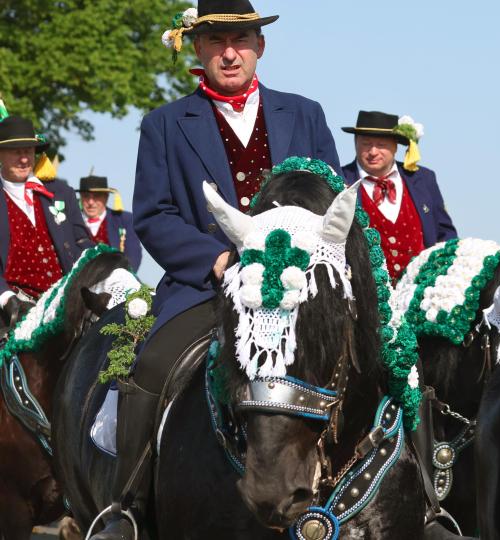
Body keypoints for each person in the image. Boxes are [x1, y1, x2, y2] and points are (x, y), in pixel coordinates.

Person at [89, 0, 341, 537]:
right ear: (198, 50)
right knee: (151, 364)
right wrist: (219, 259)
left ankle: (412, 498)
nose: (230, 53)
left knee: (374, 359)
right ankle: (128, 504)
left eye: (241, 41)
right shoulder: (163, 124)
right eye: (216, 43)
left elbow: (332, 202)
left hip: (297, 290)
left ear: (260, 47)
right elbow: (153, 215)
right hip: (207, 286)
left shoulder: (307, 114)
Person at [341, 111, 456, 281]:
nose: (373, 151)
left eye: (381, 144)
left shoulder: (424, 179)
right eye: (366, 144)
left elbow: (445, 235)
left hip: (420, 291)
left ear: (395, 146)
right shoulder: (340, 180)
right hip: (363, 294)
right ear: (355, 143)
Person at [0, 115, 93, 327]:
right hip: (10, 309)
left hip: (66, 304)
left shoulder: (61, 193)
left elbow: (83, 242)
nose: (24, 159)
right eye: (16, 152)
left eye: (28, 151)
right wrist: (5, 297)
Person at [77, 174, 142, 271]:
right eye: (86, 196)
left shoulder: (125, 220)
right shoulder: (73, 222)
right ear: (81, 198)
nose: (90, 202)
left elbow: (134, 255)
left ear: (106, 197)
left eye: (96, 196)